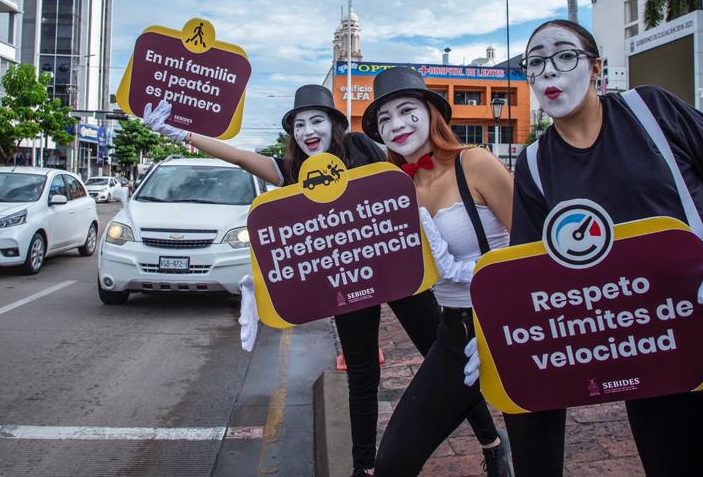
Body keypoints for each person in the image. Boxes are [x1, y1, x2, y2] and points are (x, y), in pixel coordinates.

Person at [482, 19, 703, 476]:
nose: (550, 71)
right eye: (536, 62)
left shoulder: (649, 108)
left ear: (596, 68)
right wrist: (499, 341)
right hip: (649, 335)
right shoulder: (535, 164)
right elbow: (530, 273)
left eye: (564, 56)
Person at [143, 85, 504, 477]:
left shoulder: (365, 149)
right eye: (299, 125)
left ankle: (493, 443)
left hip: (399, 269)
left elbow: (407, 178)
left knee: (442, 352)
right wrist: (184, 135)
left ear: (334, 125)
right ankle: (362, 468)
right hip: (347, 281)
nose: (308, 130)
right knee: (362, 373)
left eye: (316, 120)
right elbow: (242, 157)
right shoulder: (295, 172)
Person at [367, 67, 513, 477]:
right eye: (384, 119)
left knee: (539, 454)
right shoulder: (394, 191)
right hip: (455, 334)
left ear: (432, 113)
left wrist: (508, 326)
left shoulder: (476, 163)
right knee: (393, 460)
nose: (396, 124)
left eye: (406, 110)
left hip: (510, 323)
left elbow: (532, 246)